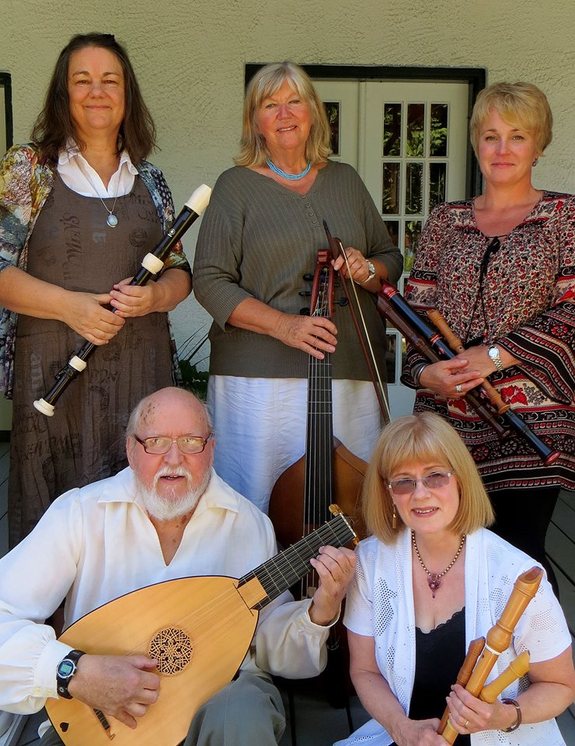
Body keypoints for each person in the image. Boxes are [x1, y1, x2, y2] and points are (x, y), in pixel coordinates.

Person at [0, 386, 356, 745]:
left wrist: (320, 612)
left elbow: (268, 648)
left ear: (211, 449)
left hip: (219, 698)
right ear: (130, 449)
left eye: (190, 441)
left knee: (244, 711)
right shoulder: (80, 513)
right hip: (101, 718)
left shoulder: (247, 524)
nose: (173, 459)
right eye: (155, 441)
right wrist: (75, 672)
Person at [0, 33, 192, 547]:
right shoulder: (29, 168)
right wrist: (71, 308)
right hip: (53, 372)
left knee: (135, 511)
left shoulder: (151, 178)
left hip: (139, 369)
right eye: (81, 80)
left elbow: (180, 275)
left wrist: (154, 297)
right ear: (64, 94)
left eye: (110, 80)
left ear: (127, 93)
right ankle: (52, 628)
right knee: (51, 515)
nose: (97, 91)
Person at [193, 61, 403, 514]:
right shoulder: (236, 187)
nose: (285, 114)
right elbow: (209, 281)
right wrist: (284, 326)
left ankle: (343, 586)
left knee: (350, 505)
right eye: (271, 105)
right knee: (257, 502)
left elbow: (390, 258)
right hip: (258, 379)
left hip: (348, 365)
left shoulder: (344, 179)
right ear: (256, 122)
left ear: (313, 113)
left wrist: (366, 269)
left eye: (295, 101)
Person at [403, 82, 575, 593]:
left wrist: (494, 356)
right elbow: (416, 317)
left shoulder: (564, 217)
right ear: (476, 142)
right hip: (447, 421)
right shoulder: (444, 221)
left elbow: (572, 311)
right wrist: (425, 373)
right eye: (491, 136)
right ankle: (457, 668)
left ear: (539, 145)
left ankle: (528, 668)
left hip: (531, 422)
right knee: (448, 556)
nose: (502, 150)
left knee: (519, 558)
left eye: (517, 137)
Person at [335, 412, 575, 746]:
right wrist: (400, 728)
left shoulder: (515, 572)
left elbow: (561, 687)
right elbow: (364, 671)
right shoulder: (371, 561)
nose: (420, 494)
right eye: (403, 481)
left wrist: (503, 714)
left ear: (460, 479)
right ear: (388, 493)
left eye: (435, 477)